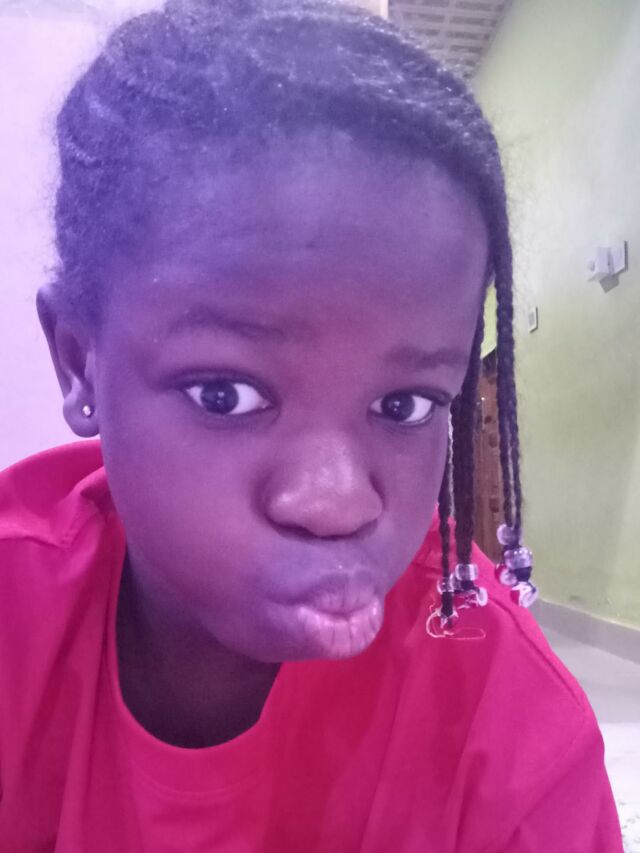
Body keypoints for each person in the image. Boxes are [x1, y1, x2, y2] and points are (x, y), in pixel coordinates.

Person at [0, 0, 623, 850]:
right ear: (80, 363)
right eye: (225, 394)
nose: (336, 502)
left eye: (404, 406)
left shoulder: (509, 724)